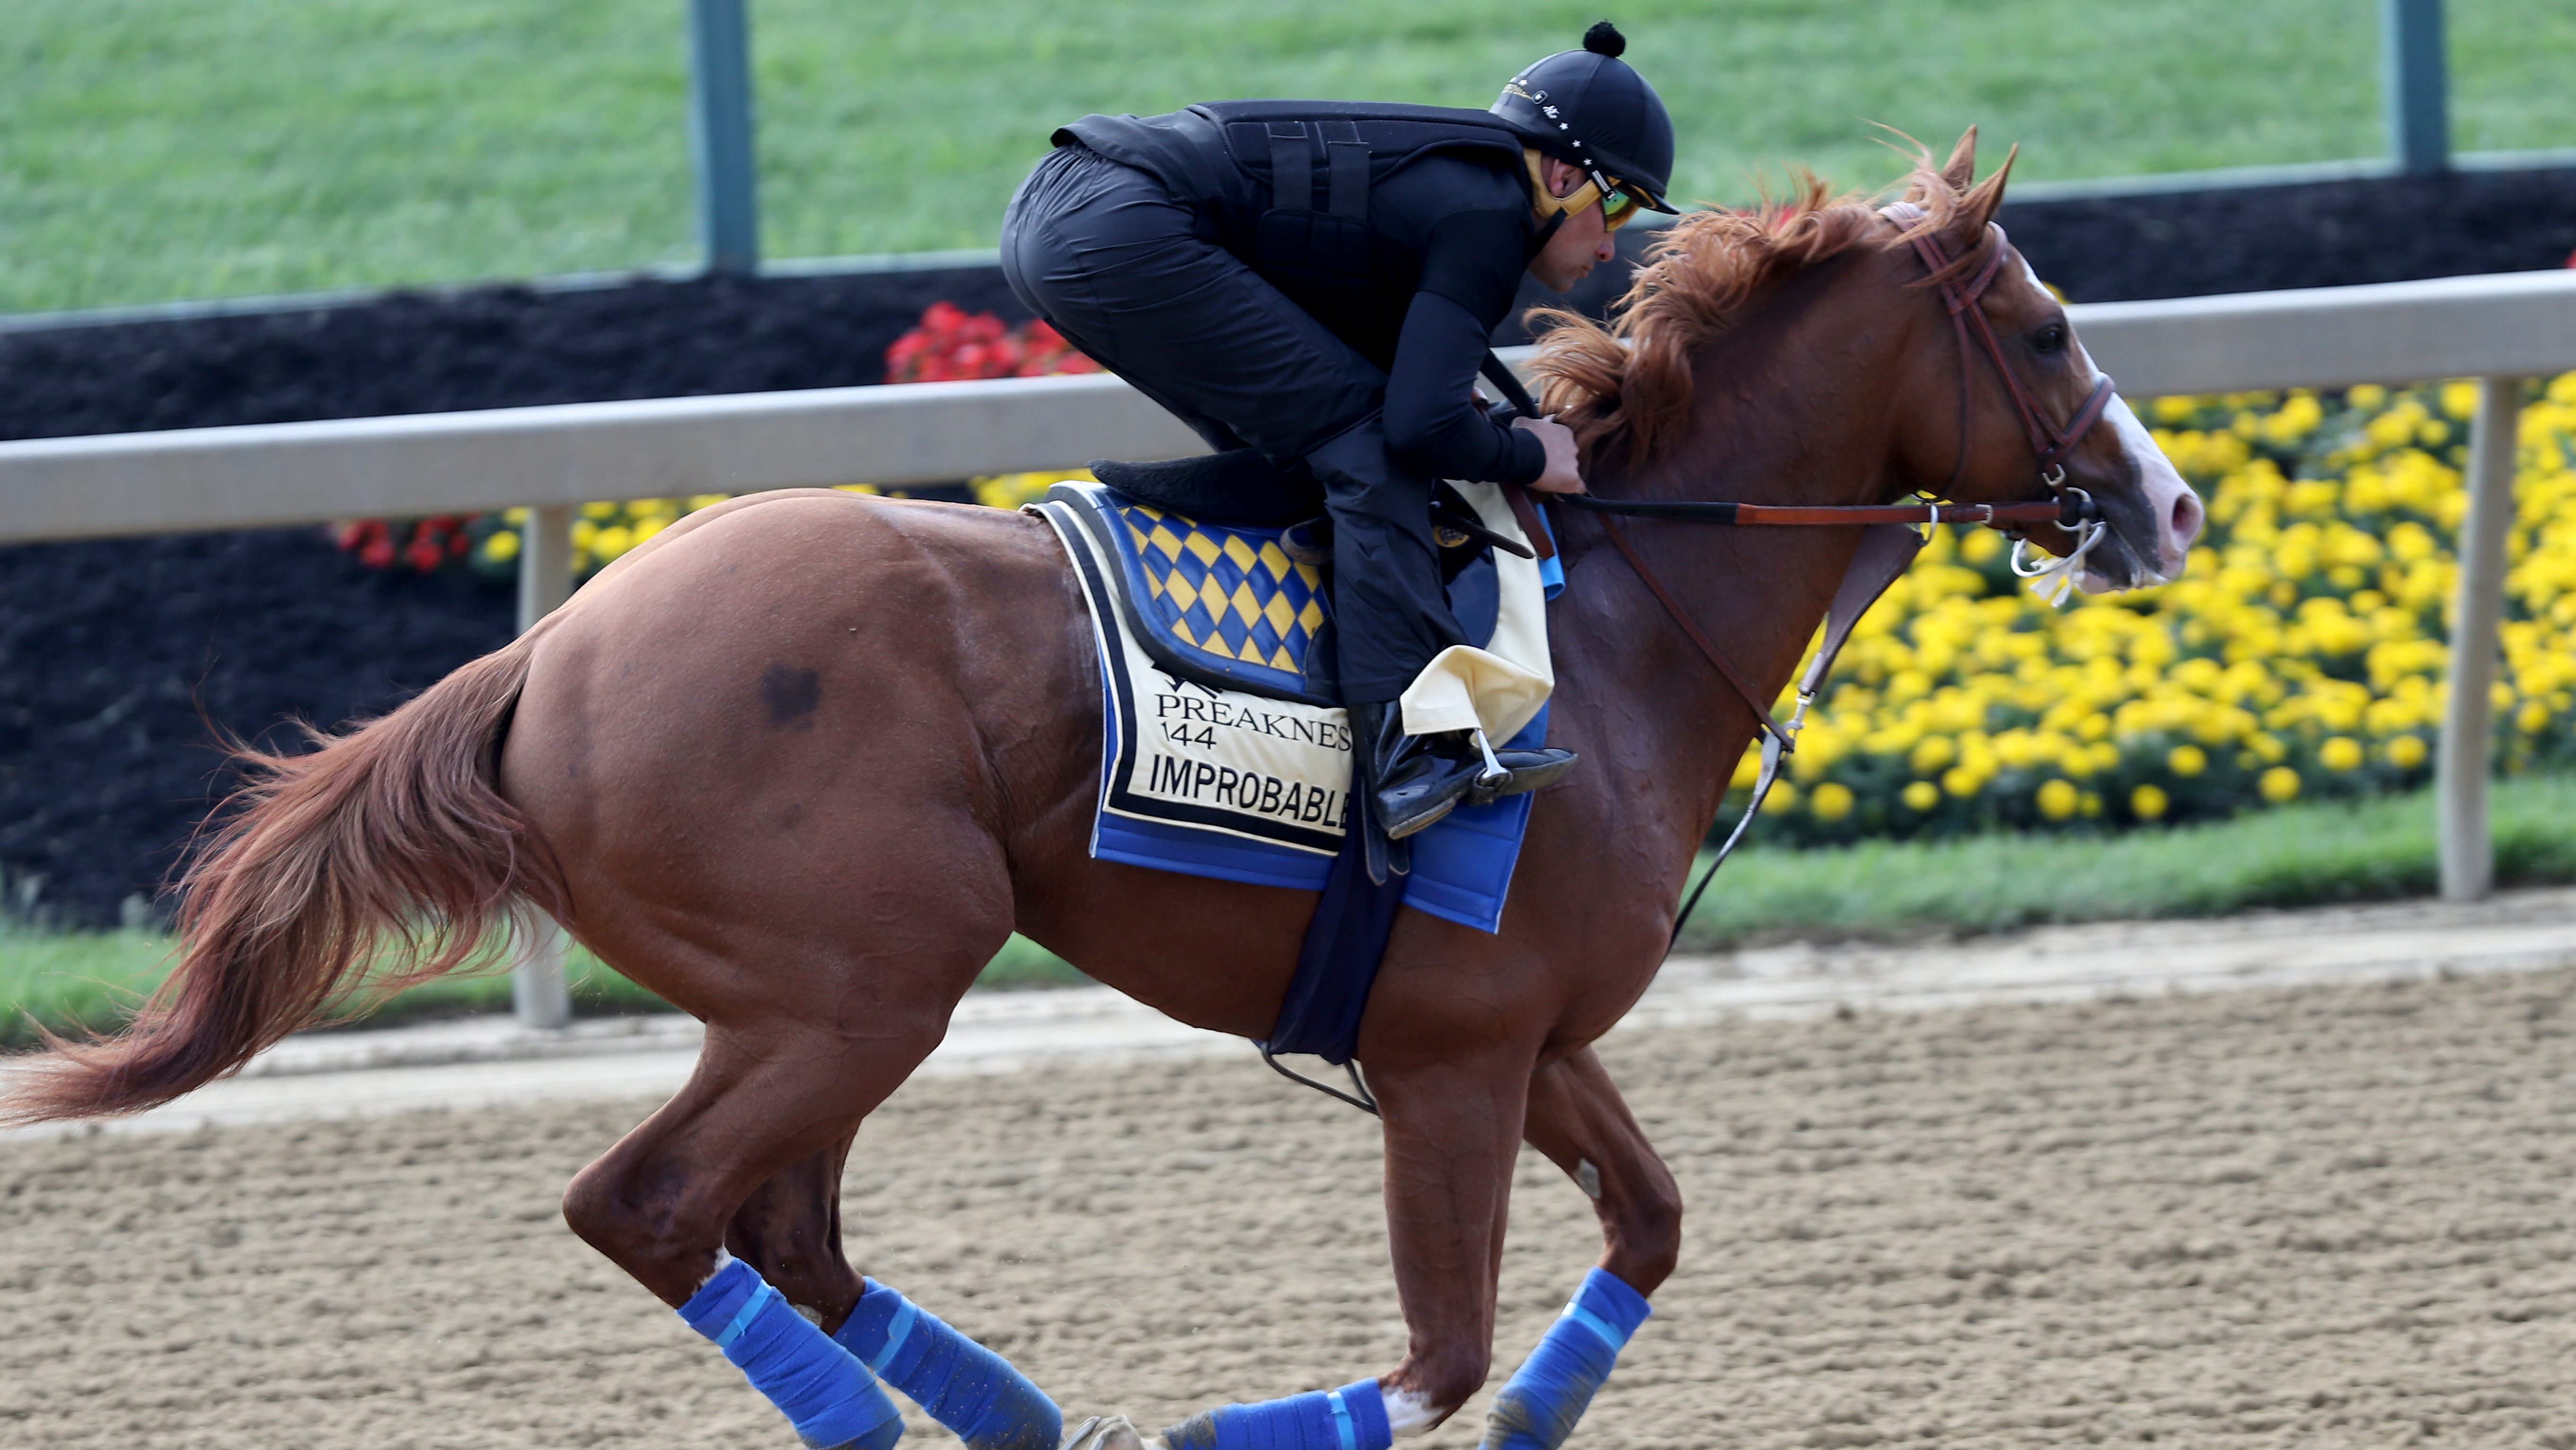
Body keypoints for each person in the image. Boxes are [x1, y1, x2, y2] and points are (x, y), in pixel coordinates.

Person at [1002, 22, 1676, 845]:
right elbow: (1420, 427)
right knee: (1367, 446)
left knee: (1328, 436)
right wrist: (1531, 453)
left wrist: (1475, 424)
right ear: (1564, 174)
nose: (1613, 243)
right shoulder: (1491, 214)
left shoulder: (1464, 183)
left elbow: (1407, 379)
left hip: (1065, 210)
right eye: (1618, 204)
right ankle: (1412, 754)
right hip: (1116, 224)